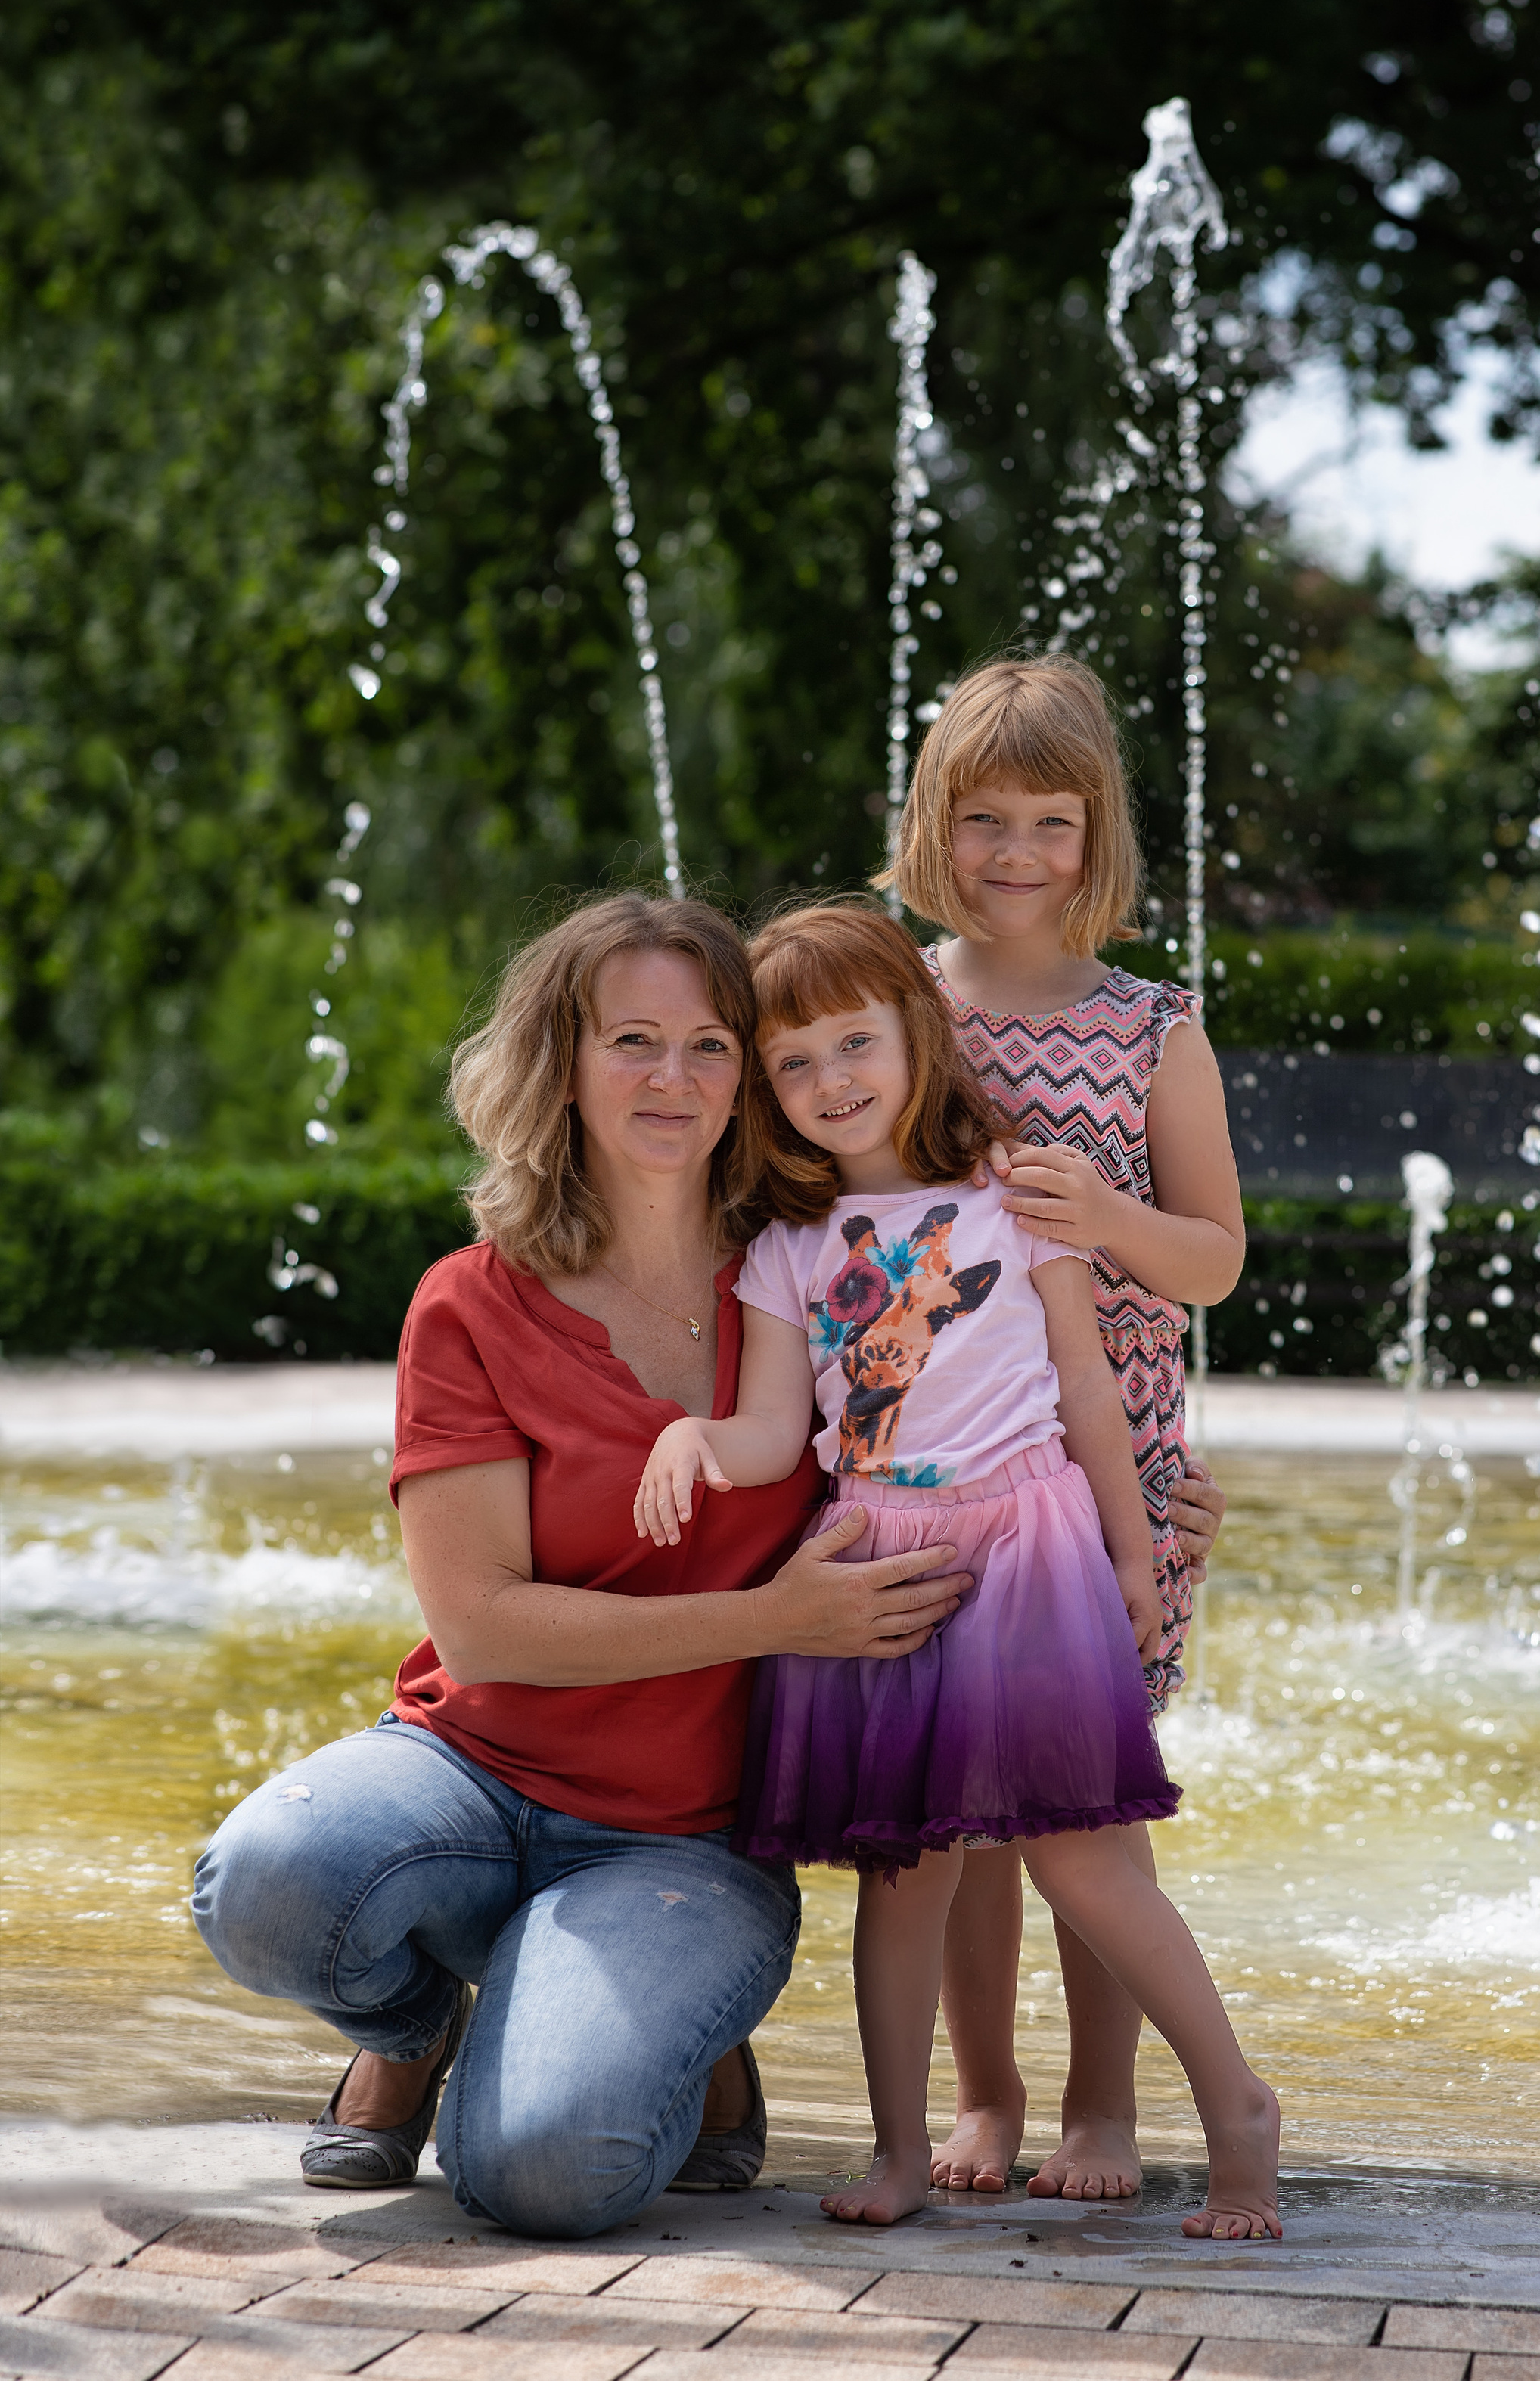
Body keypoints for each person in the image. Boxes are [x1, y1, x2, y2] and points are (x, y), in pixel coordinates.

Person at [191, 892, 972, 2241]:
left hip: (686, 1840)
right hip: (468, 1775)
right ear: (562, 1062)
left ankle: (664, 2031)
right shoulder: (471, 1301)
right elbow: (484, 1629)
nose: (674, 1078)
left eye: (712, 1045)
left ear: (748, 1078)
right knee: (264, 1878)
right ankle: (422, 2018)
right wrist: (773, 1618)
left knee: (543, 2175)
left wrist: (1147, 1493)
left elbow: (997, 1407)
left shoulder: (824, 1278)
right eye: (632, 1040)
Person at [634, 902, 1281, 2240]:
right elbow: (772, 1432)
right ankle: (902, 2143)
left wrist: (1132, 1555)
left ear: (915, 1036)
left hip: (1032, 1537)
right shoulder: (786, 1248)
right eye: (795, 1062)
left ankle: (1235, 2107)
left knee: (1086, 1862)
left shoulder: (1012, 1196)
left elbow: (1090, 1392)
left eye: (855, 1044)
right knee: (904, 1871)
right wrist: (697, 1437)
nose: (832, 1082)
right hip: (882, 1556)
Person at [886, 653, 1247, 2202]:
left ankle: (1108, 2099)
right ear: (930, 824)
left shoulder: (1149, 1025)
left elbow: (1217, 1254)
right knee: (962, 1814)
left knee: (1083, 1798)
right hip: (942, 1461)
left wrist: (1105, 1215)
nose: (1016, 851)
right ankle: (988, 2092)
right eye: (983, 818)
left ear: (1096, 834)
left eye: (1051, 818)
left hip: (1115, 1467)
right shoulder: (892, 1003)